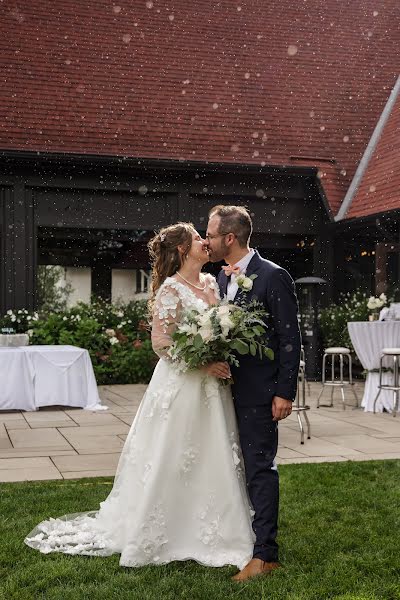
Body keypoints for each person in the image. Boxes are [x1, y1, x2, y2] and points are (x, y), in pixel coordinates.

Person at [24, 222, 255, 571]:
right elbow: (161, 343)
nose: (204, 241)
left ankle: (219, 525)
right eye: (197, 238)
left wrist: (219, 329)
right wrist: (202, 364)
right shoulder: (170, 290)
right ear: (182, 250)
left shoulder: (211, 282)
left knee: (213, 450)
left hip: (213, 389)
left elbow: (220, 323)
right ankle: (167, 525)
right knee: (174, 451)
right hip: (184, 383)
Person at [205, 205, 301, 582]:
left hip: (260, 392)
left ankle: (266, 555)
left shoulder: (273, 277)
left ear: (229, 238)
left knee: (259, 468)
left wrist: (284, 392)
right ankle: (242, 536)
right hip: (224, 391)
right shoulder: (218, 278)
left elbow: (289, 339)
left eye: (210, 235)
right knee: (235, 467)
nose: (206, 241)